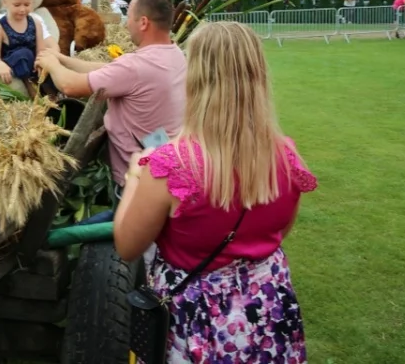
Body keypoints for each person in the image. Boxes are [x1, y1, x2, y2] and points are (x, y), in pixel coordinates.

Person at [114, 21, 317, 363]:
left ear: (196, 78)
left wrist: (135, 176)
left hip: (197, 321)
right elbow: (279, 232)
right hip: (268, 313)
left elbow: (127, 245)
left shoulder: (167, 166)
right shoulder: (287, 156)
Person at [35, 0, 187, 191]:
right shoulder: (174, 54)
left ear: (143, 22)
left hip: (136, 183)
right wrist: (61, 59)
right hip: (165, 170)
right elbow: (108, 71)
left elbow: (70, 87)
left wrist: (51, 65)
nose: (126, 24)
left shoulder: (135, 67)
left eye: (129, 17)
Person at [0, 0, 48, 88]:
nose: (22, 9)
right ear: (5, 2)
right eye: (17, 5)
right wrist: (1, 66)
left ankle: (52, 96)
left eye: (27, 4)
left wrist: (41, 64)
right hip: (12, 68)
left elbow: (41, 51)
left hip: (32, 67)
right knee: (23, 54)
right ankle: (29, 86)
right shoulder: (0, 27)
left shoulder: (36, 23)